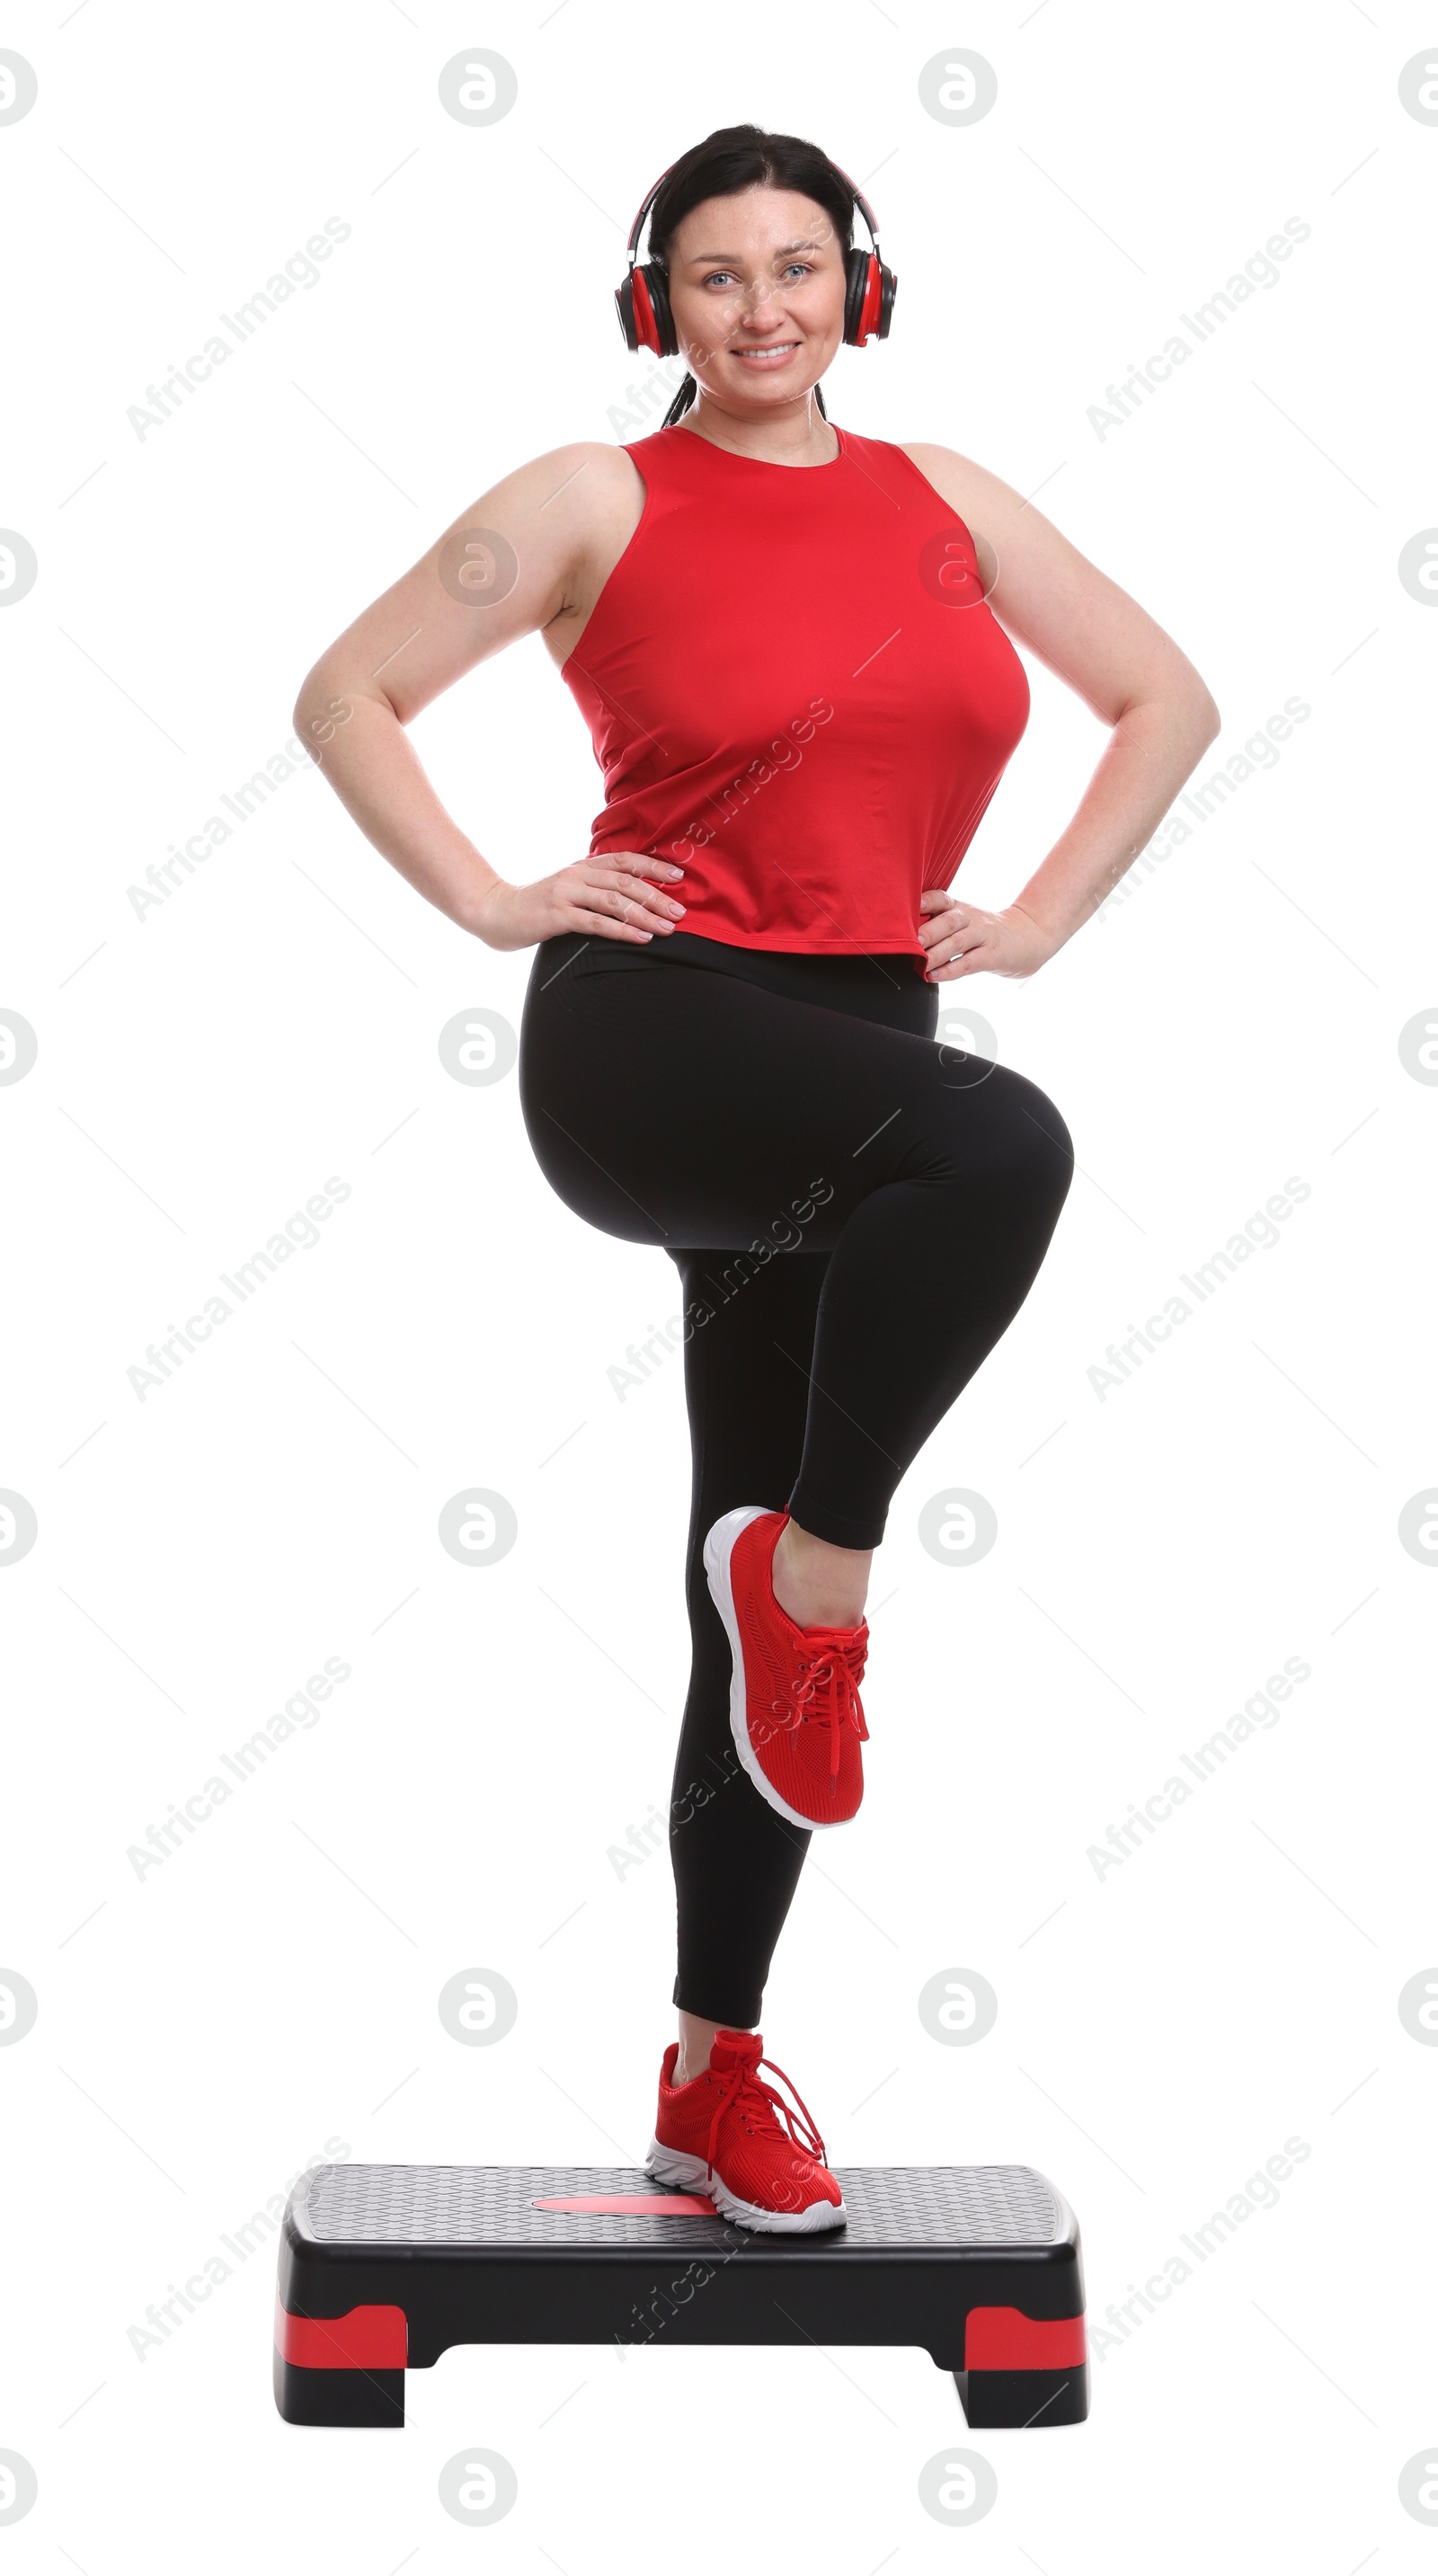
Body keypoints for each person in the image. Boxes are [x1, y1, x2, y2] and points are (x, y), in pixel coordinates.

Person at [293, 122, 1220, 2234]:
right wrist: (495, 896)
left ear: (858, 287)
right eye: (717, 276)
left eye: (799, 266)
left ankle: (712, 2064)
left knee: (740, 1527)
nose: (765, 307)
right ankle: (816, 1582)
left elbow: (1163, 693)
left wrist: (1043, 915)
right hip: (654, 1039)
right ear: (660, 310)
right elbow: (346, 689)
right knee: (1012, 1141)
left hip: (853, 1056)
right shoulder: (584, 497)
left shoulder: (945, 502)